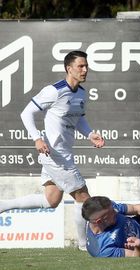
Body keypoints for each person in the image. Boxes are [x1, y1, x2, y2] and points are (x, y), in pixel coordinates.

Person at [0, 51, 105, 251]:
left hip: (62, 154)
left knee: (51, 200)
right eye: (81, 66)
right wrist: (37, 138)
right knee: (84, 198)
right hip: (55, 155)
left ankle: (3, 205)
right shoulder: (54, 91)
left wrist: (90, 134)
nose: (85, 70)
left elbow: (78, 118)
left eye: (86, 66)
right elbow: (27, 112)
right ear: (69, 68)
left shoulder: (81, 93)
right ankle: (84, 245)